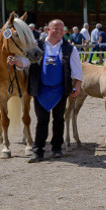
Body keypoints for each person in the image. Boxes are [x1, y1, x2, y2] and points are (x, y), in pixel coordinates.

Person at [9, 19, 82, 163]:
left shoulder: (69, 48)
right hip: (40, 91)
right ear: (48, 30)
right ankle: (38, 151)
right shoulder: (37, 45)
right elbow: (26, 61)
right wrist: (17, 62)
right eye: (55, 28)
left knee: (59, 120)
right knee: (42, 121)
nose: (59, 31)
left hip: (60, 90)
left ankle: (57, 149)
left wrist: (78, 85)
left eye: (61, 29)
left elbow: (77, 70)